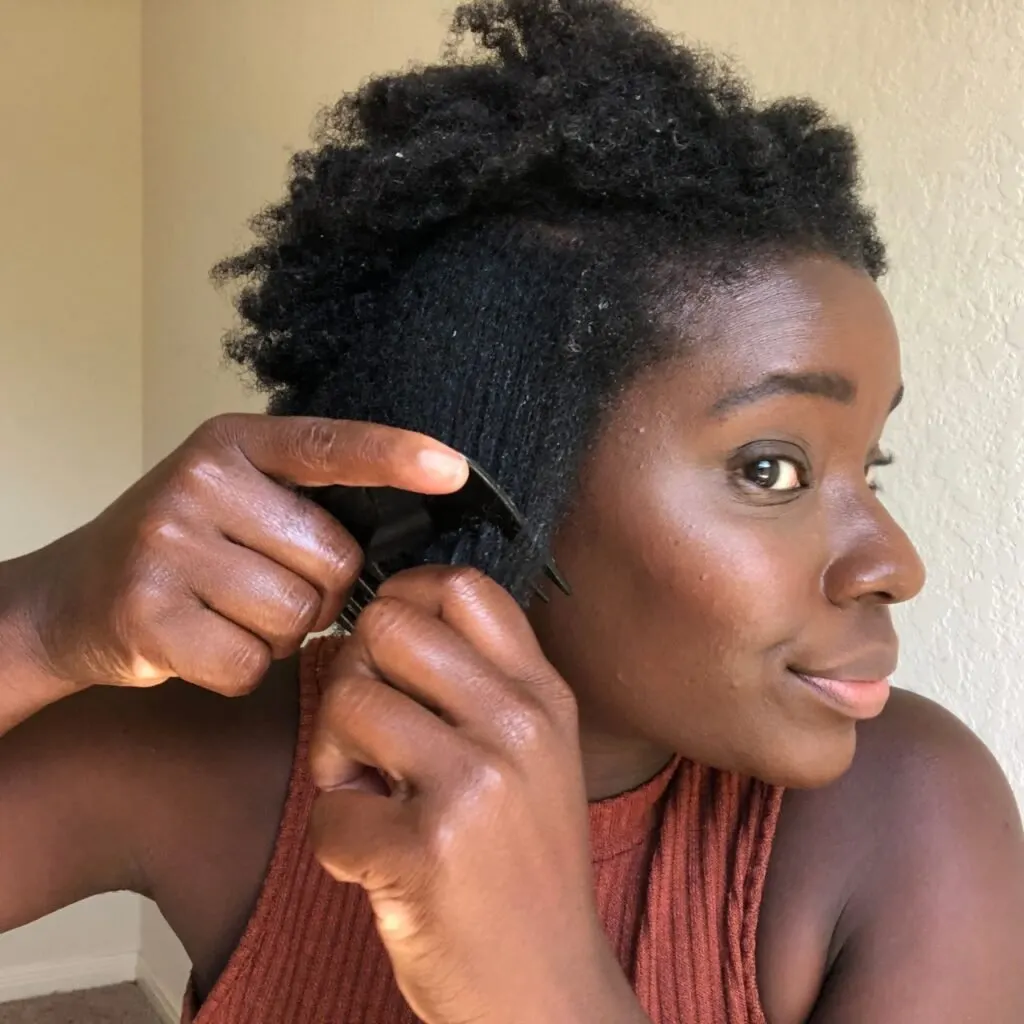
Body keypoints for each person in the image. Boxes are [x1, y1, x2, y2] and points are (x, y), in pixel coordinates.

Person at [1, 1, 1021, 1021]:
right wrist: (43, 618)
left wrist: (545, 992)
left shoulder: (909, 816)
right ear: (491, 485)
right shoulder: (232, 759)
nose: (894, 562)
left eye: (869, 466)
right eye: (771, 469)